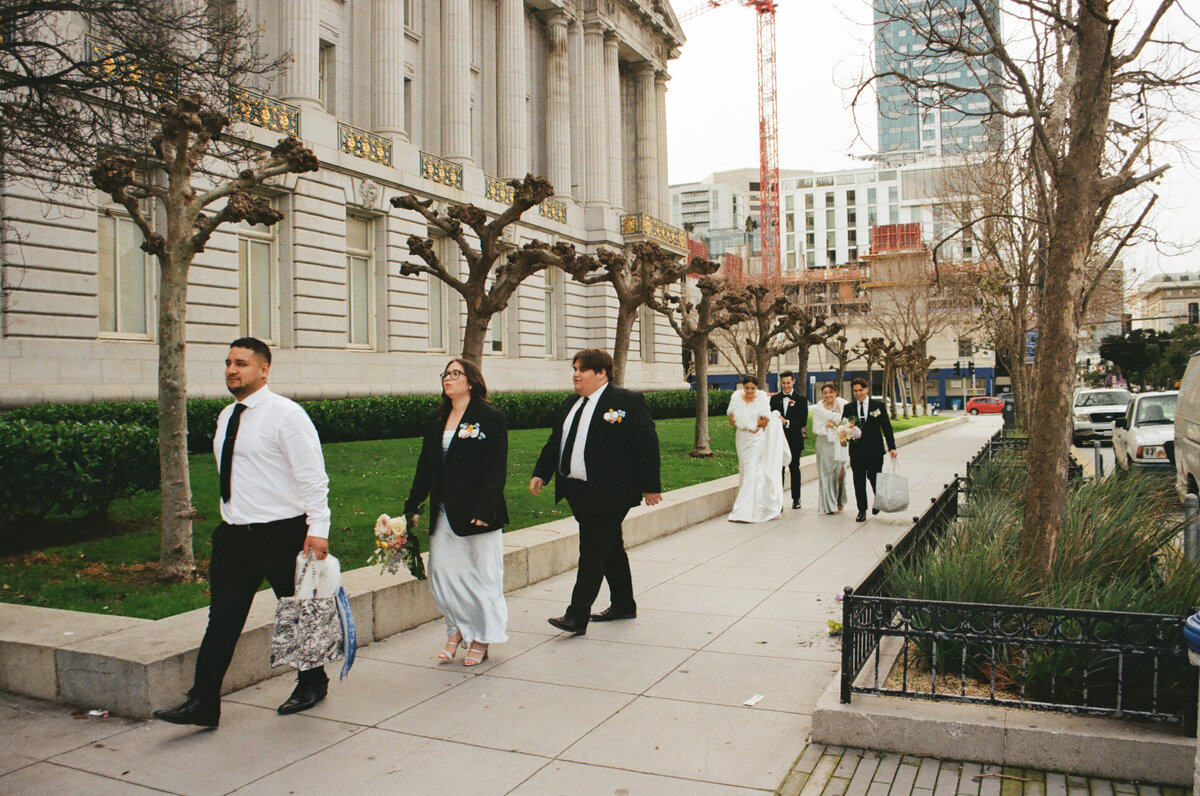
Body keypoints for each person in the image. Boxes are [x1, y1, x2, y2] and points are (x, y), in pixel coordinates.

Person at [154, 338, 332, 728]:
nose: (233, 370)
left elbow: (312, 477)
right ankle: (203, 702)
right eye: (229, 363)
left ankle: (312, 681)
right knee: (222, 619)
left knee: (299, 613)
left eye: (242, 363)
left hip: (281, 533)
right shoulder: (226, 416)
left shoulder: (286, 415)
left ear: (264, 369)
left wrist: (318, 529)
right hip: (234, 536)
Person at [530, 349, 662, 635]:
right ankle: (624, 604)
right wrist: (542, 472)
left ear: (602, 373)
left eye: (582, 369)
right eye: (574, 368)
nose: (576, 374)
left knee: (592, 550)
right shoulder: (570, 403)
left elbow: (646, 445)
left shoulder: (626, 401)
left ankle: (577, 615)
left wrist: (651, 486)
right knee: (609, 546)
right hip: (577, 490)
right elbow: (556, 442)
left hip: (611, 491)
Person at [404, 359, 509, 667]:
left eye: (455, 374)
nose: (448, 379)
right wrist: (413, 505)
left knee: (482, 576)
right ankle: (457, 630)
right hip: (443, 511)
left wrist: (485, 508)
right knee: (443, 575)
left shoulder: (490, 417)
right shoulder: (436, 419)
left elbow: (495, 468)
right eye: (446, 375)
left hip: (478, 512)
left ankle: (481, 637)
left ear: (471, 381)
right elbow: (425, 466)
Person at [727, 376, 790, 523]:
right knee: (744, 469)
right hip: (742, 438)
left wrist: (753, 425)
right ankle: (750, 503)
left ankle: (746, 510)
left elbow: (766, 419)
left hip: (755, 439)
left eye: (752, 388)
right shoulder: (736, 398)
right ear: (743, 387)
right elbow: (731, 419)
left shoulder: (761, 399)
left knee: (752, 470)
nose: (749, 391)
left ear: (756, 388)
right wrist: (745, 424)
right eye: (747, 388)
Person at [841, 377, 897, 522]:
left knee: (874, 478)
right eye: (855, 391)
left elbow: (886, 427)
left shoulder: (878, 406)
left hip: (875, 450)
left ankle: (878, 500)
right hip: (857, 451)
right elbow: (843, 430)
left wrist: (892, 447)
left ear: (867, 390)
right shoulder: (849, 408)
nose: (858, 393)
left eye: (860, 390)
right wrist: (847, 435)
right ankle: (862, 510)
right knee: (858, 481)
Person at [769, 371, 808, 509]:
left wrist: (787, 422)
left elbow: (803, 421)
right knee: (779, 470)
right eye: (783, 383)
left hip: (794, 440)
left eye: (788, 383)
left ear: (793, 382)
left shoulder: (801, 400)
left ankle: (796, 499)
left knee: (794, 468)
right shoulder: (774, 399)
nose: (785, 386)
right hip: (778, 440)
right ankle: (778, 500)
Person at [811, 382, 848, 515]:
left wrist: (839, 426)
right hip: (824, 442)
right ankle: (829, 505)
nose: (828, 395)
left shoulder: (843, 404)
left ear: (835, 392)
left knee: (840, 473)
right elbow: (816, 428)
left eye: (830, 392)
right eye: (825, 393)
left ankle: (839, 500)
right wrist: (828, 426)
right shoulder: (818, 408)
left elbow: (847, 422)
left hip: (841, 440)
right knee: (826, 473)